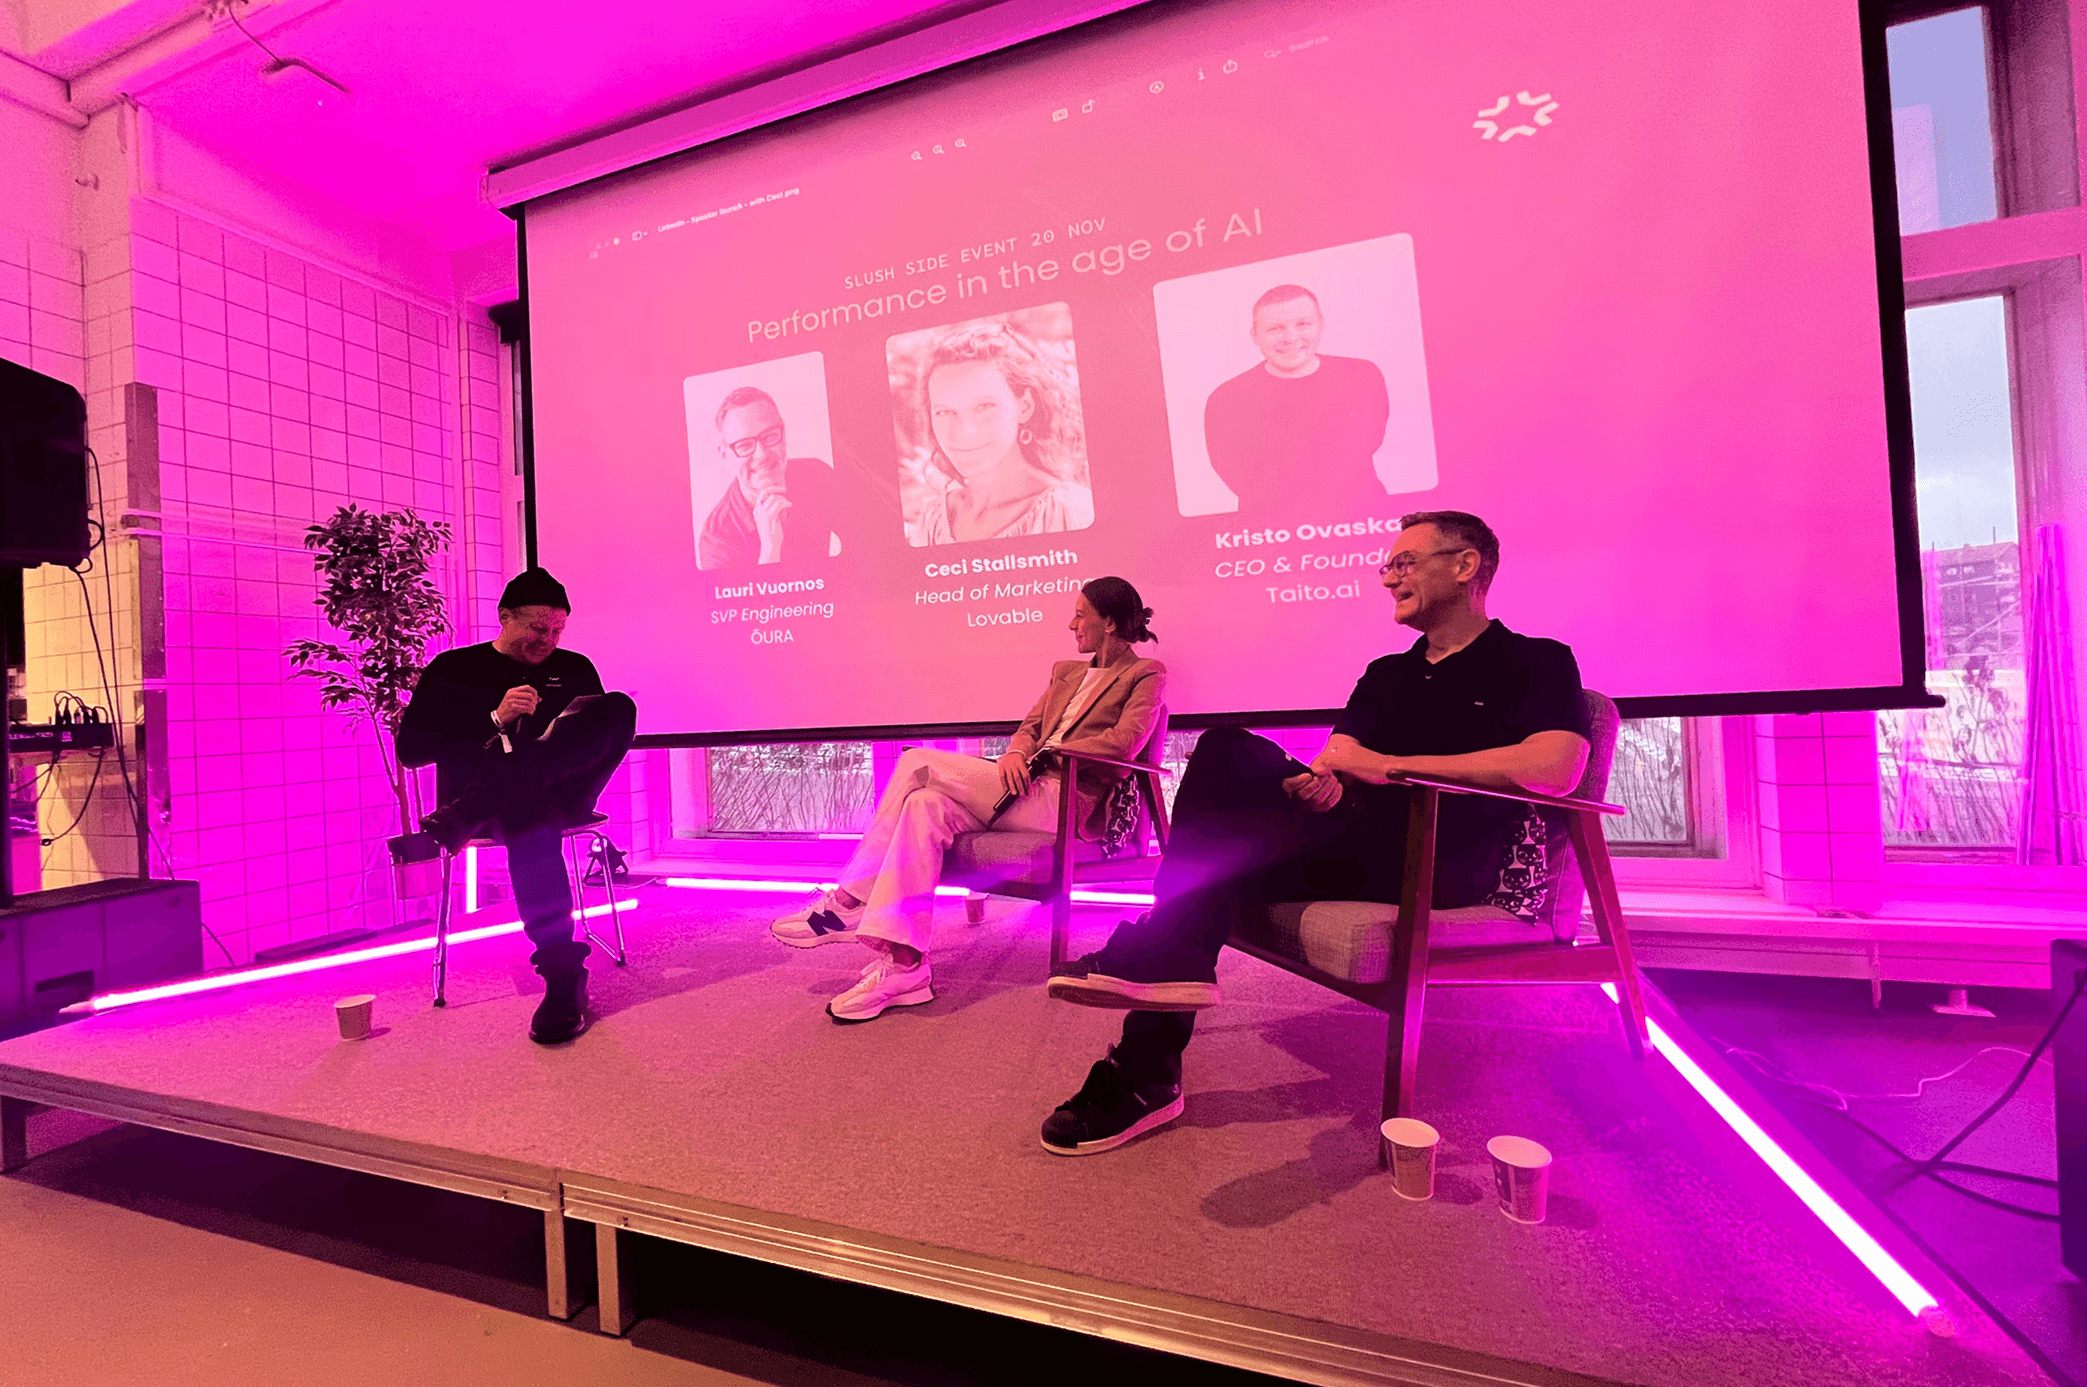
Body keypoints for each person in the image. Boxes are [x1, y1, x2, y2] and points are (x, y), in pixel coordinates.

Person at [1036, 512, 1590, 1155]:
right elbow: (1339, 756)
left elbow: (1557, 765)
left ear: (1466, 565)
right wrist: (1323, 781)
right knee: (1223, 750)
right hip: (1353, 837)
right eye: (1388, 566)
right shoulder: (1388, 673)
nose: (1389, 579)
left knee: (1214, 862)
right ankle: (1165, 987)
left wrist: (1391, 767)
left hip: (1439, 858)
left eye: (1404, 562)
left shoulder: (1537, 660)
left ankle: (1145, 1063)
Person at [770, 576, 1164, 1022]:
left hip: (1066, 799)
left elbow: (1124, 743)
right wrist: (1017, 751)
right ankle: (906, 967)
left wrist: (1048, 753)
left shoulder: (1144, 674)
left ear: (1109, 622)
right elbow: (1030, 726)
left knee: (918, 762)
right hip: (1025, 787)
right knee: (923, 806)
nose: (1071, 623)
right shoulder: (1067, 672)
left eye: (1080, 614)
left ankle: (847, 901)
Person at [397, 568, 638, 1045]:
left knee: (619, 708)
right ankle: (562, 973)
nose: (547, 640)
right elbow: (411, 751)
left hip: (522, 800)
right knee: (528, 806)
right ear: (505, 617)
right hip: (509, 803)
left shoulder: (573, 667)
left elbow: (589, 738)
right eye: (536, 629)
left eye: (556, 631)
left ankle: (475, 806)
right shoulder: (453, 669)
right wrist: (493, 718)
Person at [1202, 284, 1391, 517]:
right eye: (1274, 328)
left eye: (1302, 324)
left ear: (1320, 325)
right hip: (1273, 532)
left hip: (1362, 519)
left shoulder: (1361, 375)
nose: (1290, 337)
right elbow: (1237, 476)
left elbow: (1369, 443)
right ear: (1254, 335)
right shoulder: (1227, 399)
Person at [908, 321, 1095, 545]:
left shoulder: (1073, 511)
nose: (964, 432)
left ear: (1025, 407)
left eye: (984, 407)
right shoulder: (933, 519)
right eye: (944, 412)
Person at [696, 386, 841, 570]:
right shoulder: (715, 542)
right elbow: (744, 601)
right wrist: (770, 551)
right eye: (744, 445)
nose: (761, 454)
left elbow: (865, 541)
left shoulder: (818, 475)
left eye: (770, 436)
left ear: (784, 436)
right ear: (726, 455)